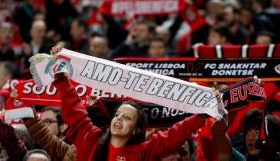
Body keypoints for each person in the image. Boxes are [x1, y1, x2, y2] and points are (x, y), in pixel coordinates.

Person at [50, 46, 222, 161]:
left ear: (137, 129)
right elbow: (75, 111)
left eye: (127, 117)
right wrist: (62, 77)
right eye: (117, 115)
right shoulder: (90, 138)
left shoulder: (143, 151)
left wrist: (202, 114)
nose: (118, 119)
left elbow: (171, 137)